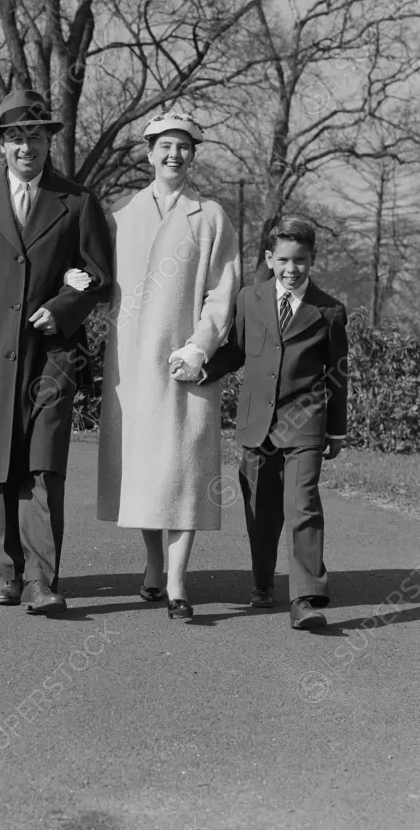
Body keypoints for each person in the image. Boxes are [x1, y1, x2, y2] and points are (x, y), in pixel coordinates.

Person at [0, 88, 112, 615]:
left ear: (49, 141)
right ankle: (7, 571)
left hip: (53, 355)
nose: (25, 146)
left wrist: (64, 305)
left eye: (34, 136)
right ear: (1, 146)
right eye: (15, 137)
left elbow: (99, 277)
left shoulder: (78, 201)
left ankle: (42, 580)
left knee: (43, 465)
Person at [97, 111, 240, 619]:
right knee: (144, 474)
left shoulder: (212, 217)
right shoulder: (121, 217)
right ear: (149, 151)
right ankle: (154, 565)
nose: (173, 155)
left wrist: (200, 348)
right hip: (132, 367)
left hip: (185, 367)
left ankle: (178, 584)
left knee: (183, 472)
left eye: (183, 147)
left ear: (193, 154)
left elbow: (222, 296)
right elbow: (95, 280)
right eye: (165, 146)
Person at [201, 218, 348, 630]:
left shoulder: (329, 309)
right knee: (260, 509)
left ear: (312, 260)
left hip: (306, 422)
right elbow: (237, 352)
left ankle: (304, 597)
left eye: (301, 260)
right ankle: (263, 583)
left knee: (302, 505)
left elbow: (339, 372)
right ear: (269, 258)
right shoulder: (249, 298)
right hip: (255, 421)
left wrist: (336, 430)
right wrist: (202, 370)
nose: (292, 268)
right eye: (283, 259)